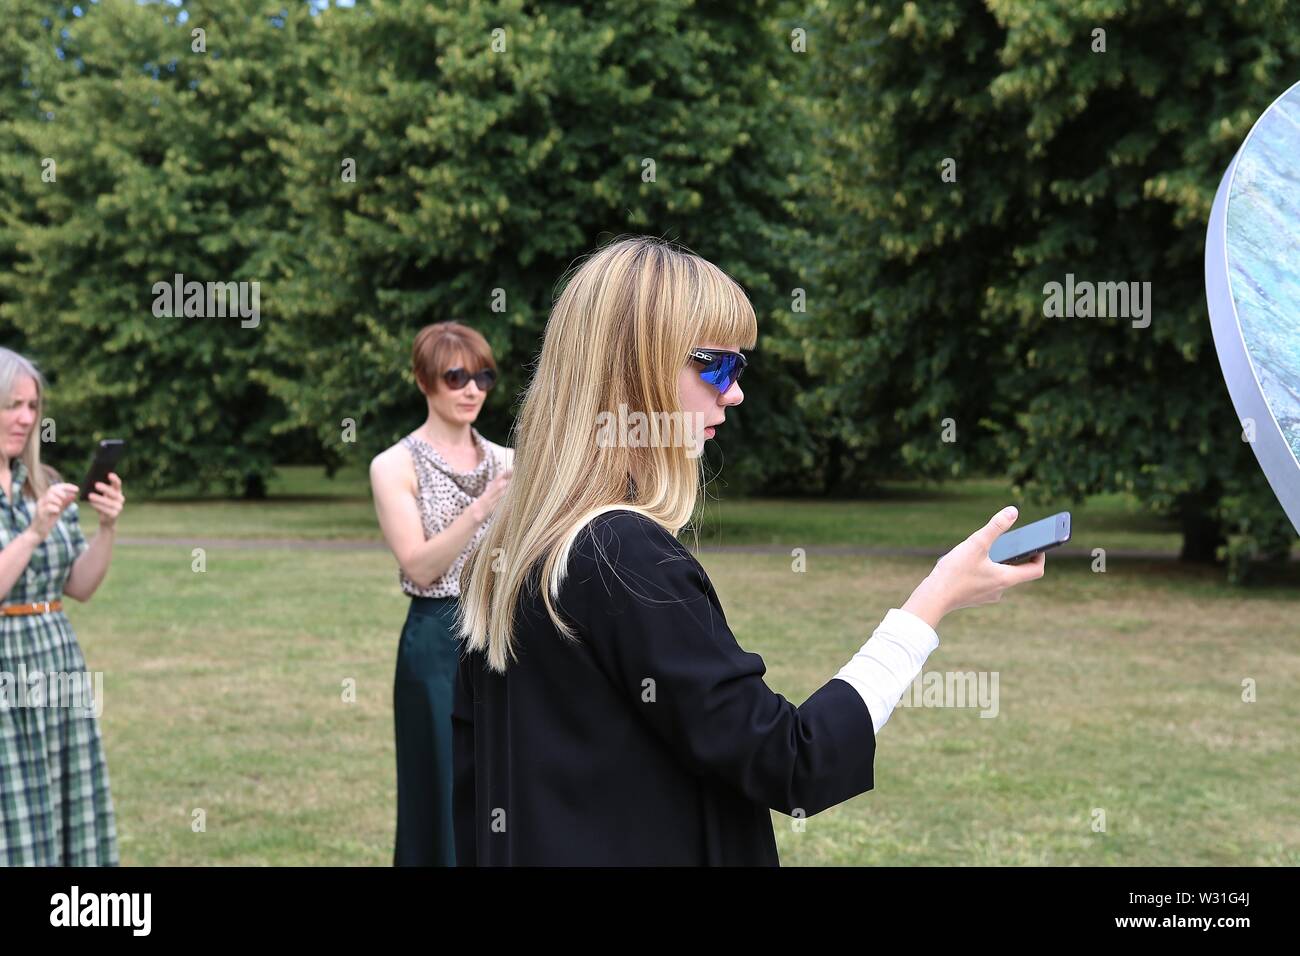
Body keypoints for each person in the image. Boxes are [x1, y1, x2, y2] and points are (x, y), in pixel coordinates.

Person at [451, 236, 1046, 866]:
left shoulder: (514, 551)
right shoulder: (619, 553)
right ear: (633, 370)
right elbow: (793, 761)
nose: (733, 393)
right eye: (715, 366)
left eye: (739, 368)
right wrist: (933, 601)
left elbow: (477, 803)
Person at [370, 322, 513, 866]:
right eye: (456, 376)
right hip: (435, 636)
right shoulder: (393, 465)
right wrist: (480, 508)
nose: (472, 388)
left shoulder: (508, 460)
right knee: (438, 782)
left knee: (500, 782)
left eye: (483, 376)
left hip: (501, 630)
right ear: (425, 380)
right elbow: (419, 566)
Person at [0, 347, 126, 866]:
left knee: (62, 798)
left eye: (32, 406)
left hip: (55, 657)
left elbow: (79, 586)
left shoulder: (43, 483)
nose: (26, 418)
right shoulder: (36, 509)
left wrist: (107, 527)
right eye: (12, 404)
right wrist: (32, 532)